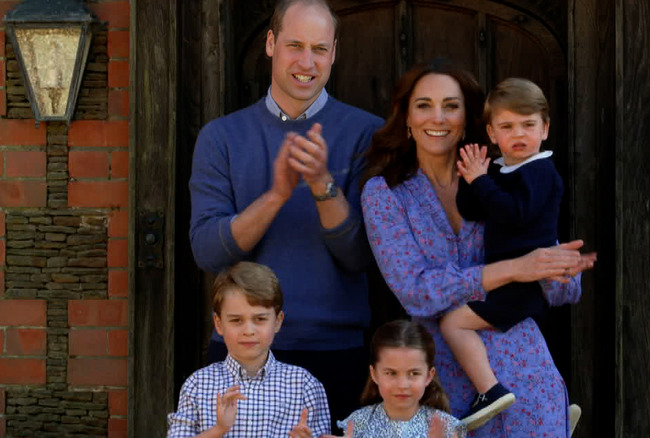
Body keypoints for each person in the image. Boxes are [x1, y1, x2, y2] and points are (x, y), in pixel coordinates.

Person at [360, 58, 595, 437]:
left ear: (467, 118)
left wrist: (559, 269)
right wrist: (514, 269)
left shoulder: (502, 177)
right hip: (443, 382)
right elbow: (416, 291)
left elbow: (562, 287)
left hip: (526, 373)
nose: (438, 117)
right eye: (424, 105)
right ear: (406, 117)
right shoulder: (385, 194)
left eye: (451, 106)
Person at [188, 0, 384, 430]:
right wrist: (277, 194)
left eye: (319, 48)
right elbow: (207, 252)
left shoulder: (368, 134)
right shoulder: (221, 137)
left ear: (334, 53)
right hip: (239, 353)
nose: (307, 62)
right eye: (295, 45)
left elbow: (361, 257)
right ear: (271, 44)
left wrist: (322, 187)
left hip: (336, 352)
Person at [439, 78, 564, 429]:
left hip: (523, 285)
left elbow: (513, 213)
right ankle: (548, 410)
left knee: (453, 323)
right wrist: (471, 177)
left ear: (545, 128)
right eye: (507, 127)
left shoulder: (541, 172)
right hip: (506, 279)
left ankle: (490, 391)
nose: (519, 134)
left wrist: (482, 181)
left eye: (528, 125)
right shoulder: (502, 169)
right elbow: (473, 209)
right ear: (492, 134)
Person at [166, 262, 330, 438]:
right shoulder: (198, 385)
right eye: (236, 320)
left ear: (278, 321)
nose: (248, 330)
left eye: (260, 319)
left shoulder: (304, 385)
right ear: (219, 324)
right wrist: (219, 429)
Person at [326, 320, 464, 438]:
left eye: (414, 373)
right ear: (374, 374)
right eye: (391, 373)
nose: (402, 385)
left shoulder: (446, 427)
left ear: (428, 376)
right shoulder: (357, 423)